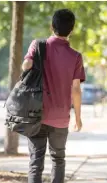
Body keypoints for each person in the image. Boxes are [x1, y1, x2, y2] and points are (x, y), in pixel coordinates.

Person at [22, 9, 85, 183]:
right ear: (71, 30)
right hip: (60, 117)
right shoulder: (76, 57)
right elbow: (76, 89)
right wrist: (78, 117)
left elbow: (26, 65)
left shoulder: (38, 45)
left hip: (37, 113)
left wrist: (30, 60)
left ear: (52, 26)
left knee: (36, 161)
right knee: (58, 160)